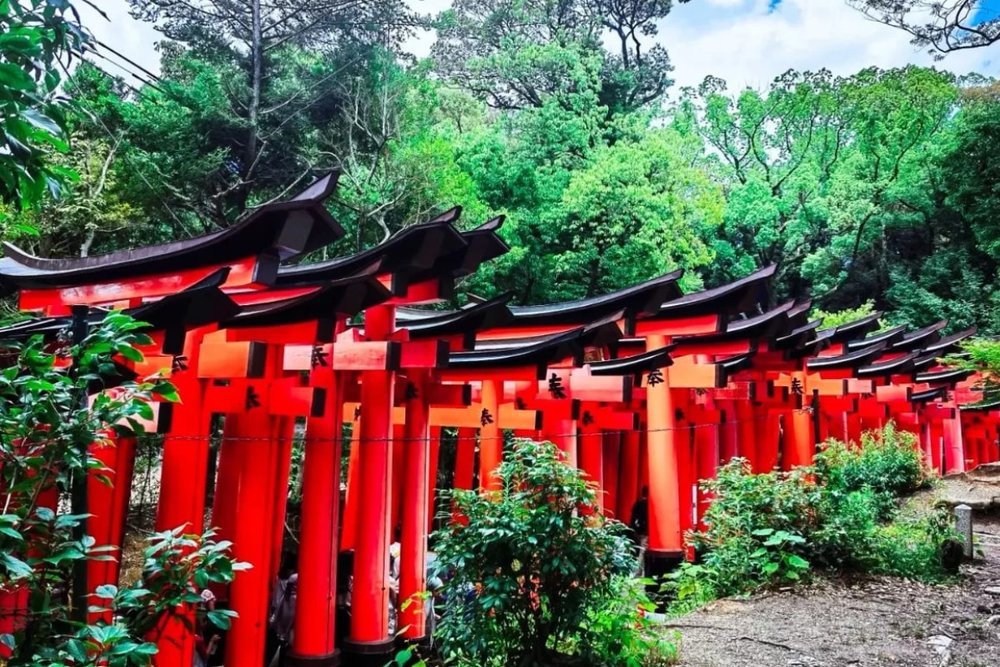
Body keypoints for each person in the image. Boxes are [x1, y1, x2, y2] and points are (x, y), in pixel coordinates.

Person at [265, 563, 297, 667]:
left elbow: (276, 600)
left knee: (273, 643)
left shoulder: (281, 579)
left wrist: (272, 615)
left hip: (279, 617)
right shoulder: (296, 578)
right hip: (289, 619)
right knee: (286, 645)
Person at [194, 589, 221, 667]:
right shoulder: (197, 638)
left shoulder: (210, 618)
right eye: (211, 600)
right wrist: (212, 641)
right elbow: (205, 655)